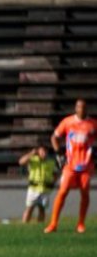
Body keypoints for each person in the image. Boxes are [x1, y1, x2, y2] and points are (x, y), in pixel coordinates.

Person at [44, 98, 97, 234]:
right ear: (75, 108)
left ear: (87, 109)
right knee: (63, 191)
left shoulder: (92, 124)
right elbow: (54, 137)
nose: (81, 109)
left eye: (84, 107)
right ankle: (53, 223)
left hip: (86, 164)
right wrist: (58, 154)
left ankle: (80, 224)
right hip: (70, 164)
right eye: (79, 107)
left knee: (85, 191)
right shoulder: (68, 122)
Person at [18, 146, 57, 223]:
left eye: (45, 151)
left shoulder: (51, 162)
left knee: (42, 208)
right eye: (42, 151)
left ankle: (40, 224)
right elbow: (21, 162)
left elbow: (55, 174)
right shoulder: (33, 160)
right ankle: (25, 224)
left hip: (45, 189)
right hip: (33, 189)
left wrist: (53, 182)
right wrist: (31, 153)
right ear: (38, 152)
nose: (44, 153)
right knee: (30, 207)